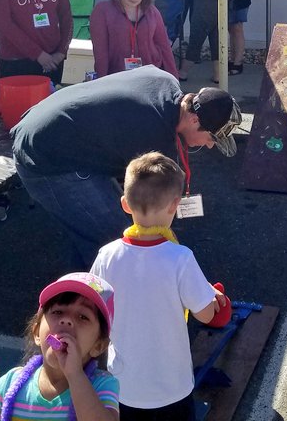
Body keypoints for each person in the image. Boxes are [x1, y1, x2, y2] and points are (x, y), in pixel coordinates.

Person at [12, 65, 242, 266]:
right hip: (46, 156)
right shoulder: (154, 134)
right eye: (211, 138)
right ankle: (102, 303)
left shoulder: (165, 80)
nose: (210, 146)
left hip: (47, 125)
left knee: (91, 226)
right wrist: (172, 259)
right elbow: (151, 207)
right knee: (118, 243)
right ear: (194, 120)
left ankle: (85, 292)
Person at [91, 152, 230, 420]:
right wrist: (214, 296)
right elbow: (206, 314)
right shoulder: (180, 258)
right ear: (174, 205)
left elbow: (95, 305)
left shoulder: (106, 255)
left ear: (125, 204)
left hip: (123, 384)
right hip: (172, 385)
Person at [0, 272, 119, 421]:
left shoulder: (101, 385)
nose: (66, 320)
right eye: (58, 312)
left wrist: (74, 374)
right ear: (37, 332)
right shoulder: (11, 384)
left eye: (83, 317)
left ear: (98, 346)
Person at [89, 0, 177, 78]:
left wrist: (174, 81)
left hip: (151, 75)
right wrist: (100, 82)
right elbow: (100, 53)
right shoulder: (102, 11)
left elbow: (164, 47)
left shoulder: (152, 12)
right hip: (117, 76)